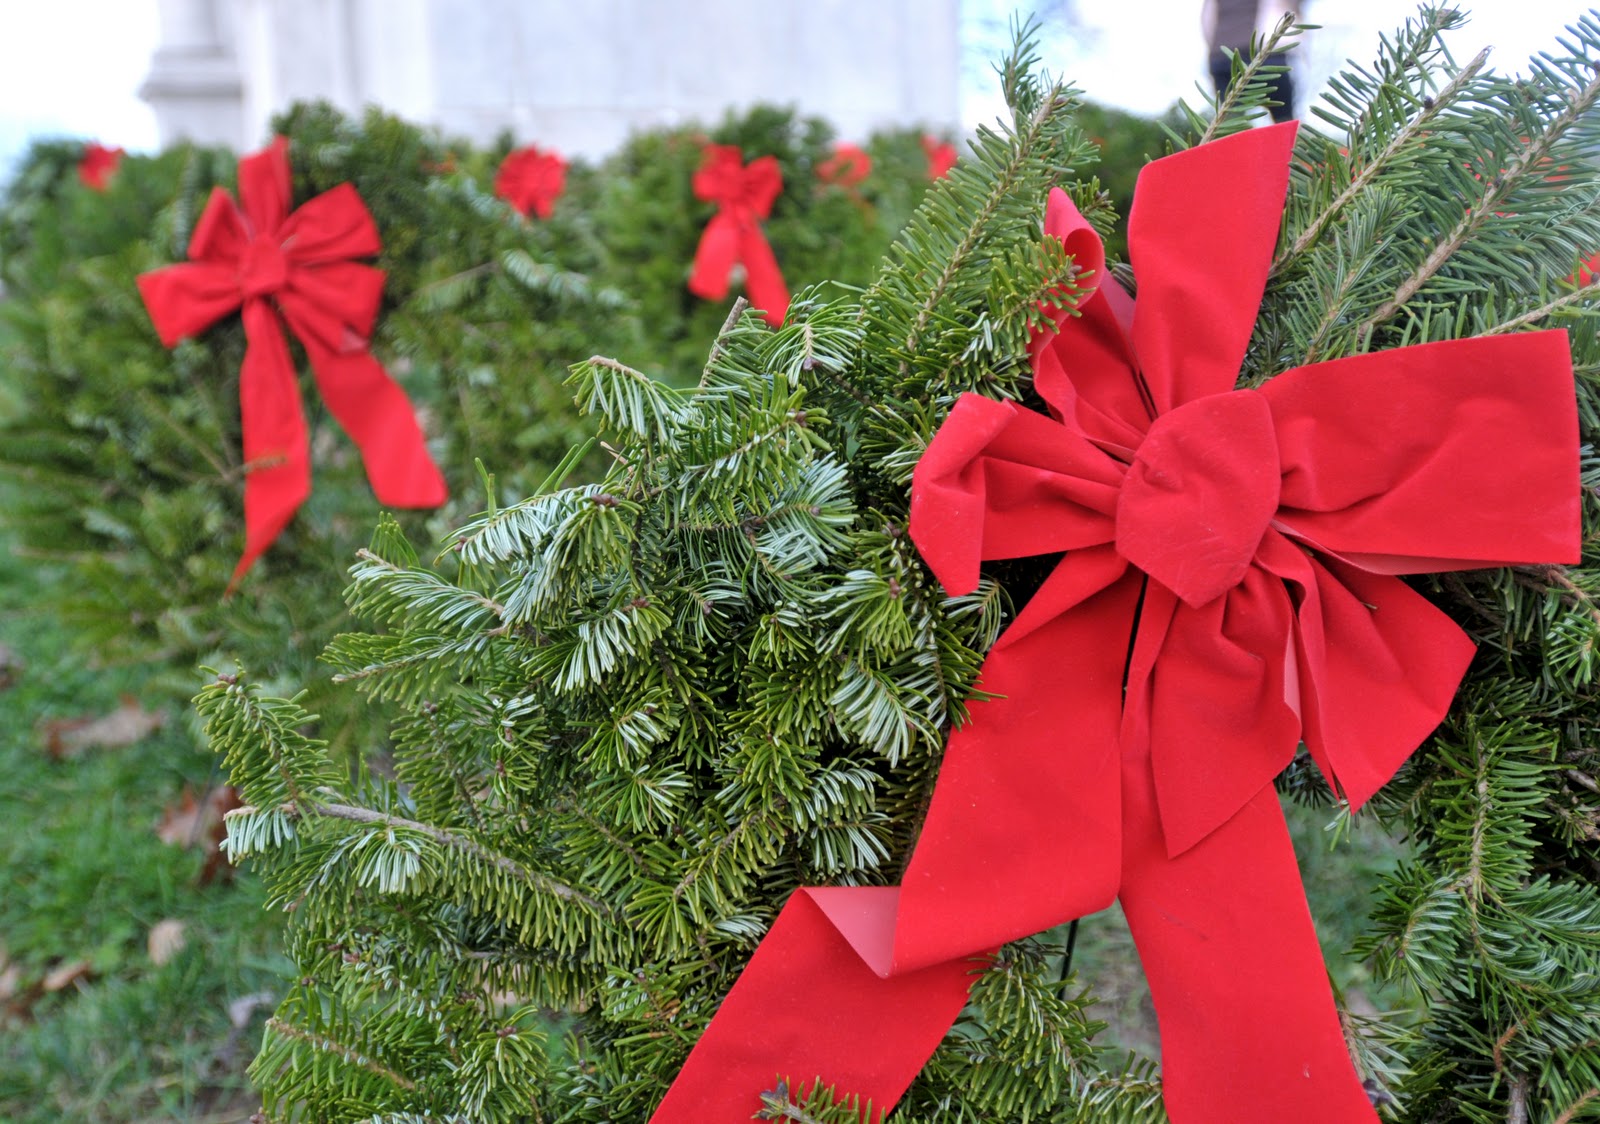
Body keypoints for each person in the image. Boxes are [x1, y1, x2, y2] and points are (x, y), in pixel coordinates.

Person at [1204, 0, 1299, 123]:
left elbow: (1207, 19)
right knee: (1284, 120)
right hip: (1267, 54)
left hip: (1223, 57)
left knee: (1231, 121)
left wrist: (1216, 50)